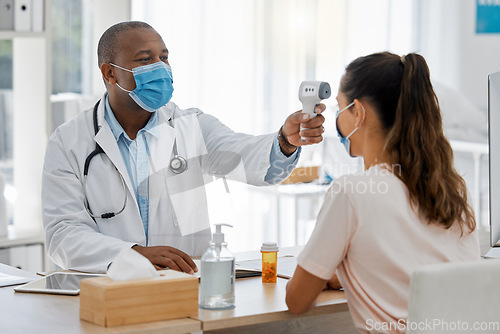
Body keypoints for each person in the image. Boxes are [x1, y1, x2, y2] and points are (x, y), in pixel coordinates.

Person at [42, 21, 326, 274]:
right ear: (110, 73)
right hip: (107, 290)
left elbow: (241, 154)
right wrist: (131, 255)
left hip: (183, 287)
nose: (161, 68)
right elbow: (62, 233)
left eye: (164, 58)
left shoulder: (191, 126)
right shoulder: (69, 142)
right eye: (146, 60)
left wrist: (284, 141)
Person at [285, 52, 480, 332]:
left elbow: (297, 300)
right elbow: (412, 269)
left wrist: (331, 270)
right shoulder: (453, 187)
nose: (337, 121)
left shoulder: (350, 193)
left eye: (340, 109)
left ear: (359, 112)